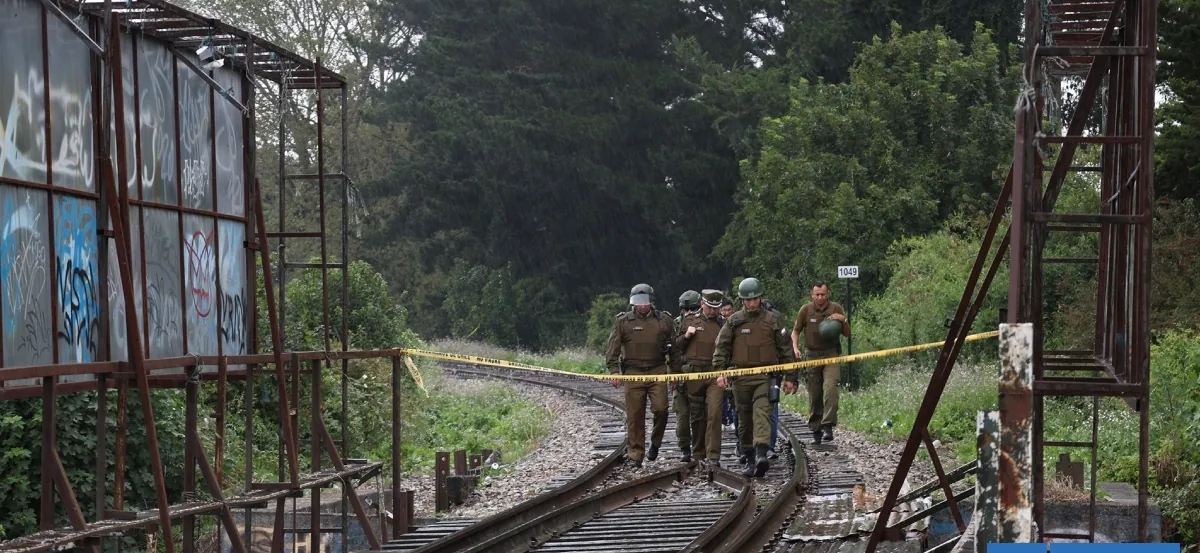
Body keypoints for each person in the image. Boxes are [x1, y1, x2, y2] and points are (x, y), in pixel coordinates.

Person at [713, 278, 797, 477]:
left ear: (760, 298)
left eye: (755, 299)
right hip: (740, 378)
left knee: (762, 412)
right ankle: (749, 458)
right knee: (744, 419)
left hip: (764, 377)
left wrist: (790, 377)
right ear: (742, 300)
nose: (752, 303)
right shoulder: (734, 321)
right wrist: (720, 371)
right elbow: (721, 347)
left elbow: (785, 349)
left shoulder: (772, 320)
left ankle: (761, 453)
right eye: (748, 300)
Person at [605, 283, 677, 468]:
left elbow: (674, 350)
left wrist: (675, 373)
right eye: (639, 302)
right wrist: (614, 371)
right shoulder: (623, 322)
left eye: (645, 302)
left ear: (651, 301)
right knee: (635, 414)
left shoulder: (664, 321)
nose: (642, 305)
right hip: (633, 372)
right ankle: (635, 454)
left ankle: (656, 442)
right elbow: (613, 348)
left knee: (661, 409)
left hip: (657, 370)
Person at [791, 282, 850, 444]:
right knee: (815, 393)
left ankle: (828, 424)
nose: (820, 297)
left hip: (831, 355)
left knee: (831, 388)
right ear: (812, 295)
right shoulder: (805, 310)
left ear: (827, 294)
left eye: (823, 294)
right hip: (812, 356)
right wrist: (795, 347)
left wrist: (843, 320)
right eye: (817, 294)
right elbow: (796, 331)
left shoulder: (836, 308)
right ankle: (816, 428)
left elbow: (847, 333)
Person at [673, 289, 726, 469]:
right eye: (710, 307)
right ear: (702, 304)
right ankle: (698, 453)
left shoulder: (723, 324)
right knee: (697, 416)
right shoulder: (689, 321)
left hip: (714, 374)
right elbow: (676, 346)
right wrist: (686, 336)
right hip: (694, 374)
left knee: (714, 413)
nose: (713, 311)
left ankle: (713, 455)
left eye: (716, 308)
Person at [672, 290, 702, 461]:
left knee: (699, 416)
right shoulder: (676, 325)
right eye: (686, 309)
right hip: (681, 376)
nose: (690, 313)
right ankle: (684, 447)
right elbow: (672, 350)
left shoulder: (705, 323)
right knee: (682, 415)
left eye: (694, 309)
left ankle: (699, 448)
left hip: (699, 376)